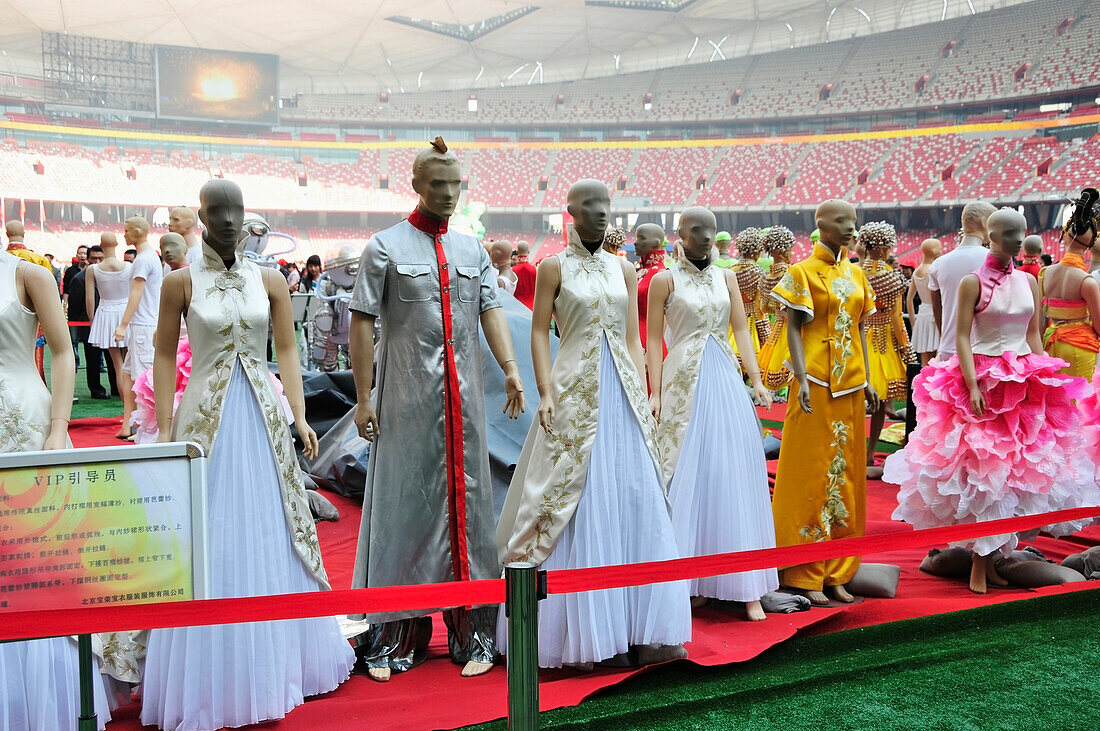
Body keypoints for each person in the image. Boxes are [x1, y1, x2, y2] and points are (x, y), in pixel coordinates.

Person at [141, 179, 354, 729]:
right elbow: (164, 354)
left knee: (270, 524)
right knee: (207, 529)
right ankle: (208, 668)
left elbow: (286, 346)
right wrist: (165, 427)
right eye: (218, 211)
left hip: (262, 416)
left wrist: (301, 417)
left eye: (237, 210)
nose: (230, 220)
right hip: (202, 422)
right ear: (202, 217)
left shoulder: (270, 280)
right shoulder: (181, 283)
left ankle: (280, 658)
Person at [347, 137, 525, 682]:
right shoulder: (385, 247)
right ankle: (399, 632)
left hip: (465, 405)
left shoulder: (473, 250)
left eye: (455, 185)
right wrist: (362, 396)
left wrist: (511, 368)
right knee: (404, 504)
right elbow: (361, 321)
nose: (448, 195)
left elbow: (491, 310)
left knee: (471, 506)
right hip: (405, 401)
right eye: (438, 185)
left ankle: (471, 629)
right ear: (418, 185)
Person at [497, 179, 690, 669]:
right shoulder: (552, 267)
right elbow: (540, 330)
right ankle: (582, 633)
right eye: (590, 207)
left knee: (633, 493)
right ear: (571, 213)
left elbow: (632, 337)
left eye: (606, 207)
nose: (602, 215)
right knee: (570, 495)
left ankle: (641, 624)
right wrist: (544, 390)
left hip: (623, 392)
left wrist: (646, 389)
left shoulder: (624, 269)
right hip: (571, 386)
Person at [884, 208, 1099, 594]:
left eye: (1022, 234)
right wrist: (972, 383)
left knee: (1015, 472)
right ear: (992, 237)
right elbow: (962, 336)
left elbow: (1033, 334)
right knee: (984, 472)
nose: (1019, 241)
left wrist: (1045, 375)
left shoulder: (1029, 282)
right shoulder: (972, 282)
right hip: (983, 380)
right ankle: (979, 564)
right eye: (1011, 235)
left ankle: (991, 558)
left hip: (1023, 381)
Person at [0, 245, 113, 729]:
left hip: (24, 421)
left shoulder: (27, 274)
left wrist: (56, 426)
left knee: (39, 556)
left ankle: (47, 691)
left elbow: (65, 352)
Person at [646, 207, 777, 620]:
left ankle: (746, 584)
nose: (705, 237)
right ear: (679, 235)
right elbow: (651, 339)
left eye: (712, 230)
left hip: (723, 375)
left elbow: (741, 328)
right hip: (682, 377)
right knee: (685, 472)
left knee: (733, 471)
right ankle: (685, 579)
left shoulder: (728, 276)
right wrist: (654, 391)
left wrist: (755, 378)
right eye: (696, 230)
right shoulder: (663, 281)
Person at [769, 199, 878, 606]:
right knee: (809, 475)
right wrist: (798, 377)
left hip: (849, 387)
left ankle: (837, 571)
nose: (850, 227)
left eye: (852, 220)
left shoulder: (856, 273)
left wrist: (866, 377)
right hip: (814, 381)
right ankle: (802, 573)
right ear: (821, 226)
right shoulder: (801, 273)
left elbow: (862, 330)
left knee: (846, 477)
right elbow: (793, 328)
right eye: (840, 221)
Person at [860, 222, 913, 478]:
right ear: (885, 247)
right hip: (881, 343)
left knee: (854, 399)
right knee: (880, 404)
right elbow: (895, 319)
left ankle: (855, 451)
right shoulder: (892, 277)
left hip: (856, 339)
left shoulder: (852, 272)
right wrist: (906, 351)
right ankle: (870, 454)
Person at [112, 216, 162, 439]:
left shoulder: (144, 260)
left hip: (143, 324)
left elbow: (137, 292)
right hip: (140, 325)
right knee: (128, 374)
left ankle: (144, 427)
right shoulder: (145, 258)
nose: (124, 234)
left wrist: (123, 324)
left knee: (142, 377)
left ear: (138, 231)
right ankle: (128, 423)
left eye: (126, 230)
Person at [929, 202, 995, 361]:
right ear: (983, 221)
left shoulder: (939, 263)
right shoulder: (993, 260)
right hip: (984, 350)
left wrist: (946, 336)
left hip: (948, 349)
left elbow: (937, 309)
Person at [1040, 224, 1100, 378]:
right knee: (1080, 400)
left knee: (1055, 398)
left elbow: (1039, 320)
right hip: (1079, 345)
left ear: (1065, 237)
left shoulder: (1045, 273)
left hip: (1050, 342)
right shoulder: (1087, 281)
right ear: (1089, 244)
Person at [87, 233, 133, 421]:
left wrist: (93, 322)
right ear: (116, 243)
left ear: (100, 245)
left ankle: (127, 411)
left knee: (118, 364)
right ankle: (134, 411)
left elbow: (90, 300)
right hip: (126, 312)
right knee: (130, 364)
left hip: (106, 313)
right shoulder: (129, 267)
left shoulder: (93, 269)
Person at [70, 244, 117, 399]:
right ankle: (96, 389)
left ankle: (116, 387)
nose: (97, 261)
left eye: (100, 258)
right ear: (87, 259)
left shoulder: (112, 275)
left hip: (110, 324)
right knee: (93, 361)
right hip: (88, 327)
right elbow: (74, 308)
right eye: (94, 258)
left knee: (113, 359)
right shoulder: (79, 279)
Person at [757, 226, 796, 396]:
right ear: (782, 250)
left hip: (778, 327)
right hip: (794, 327)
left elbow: (764, 308)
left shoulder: (767, 276)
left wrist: (779, 311)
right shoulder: (791, 272)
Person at [732, 227, 769, 360]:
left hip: (730, 324)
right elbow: (760, 308)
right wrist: (766, 335)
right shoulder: (759, 273)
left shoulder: (730, 272)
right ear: (755, 253)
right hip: (751, 325)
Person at [906, 238, 943, 366]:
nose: (941, 250)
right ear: (933, 251)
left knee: (925, 361)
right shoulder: (934, 270)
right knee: (939, 358)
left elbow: (909, 298)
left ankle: (922, 385)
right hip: (936, 315)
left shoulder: (916, 271)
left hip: (922, 316)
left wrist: (913, 323)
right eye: (939, 248)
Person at [634, 223, 665, 351]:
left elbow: (666, 318)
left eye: (641, 238)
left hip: (651, 343)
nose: (635, 243)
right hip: (633, 340)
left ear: (656, 243)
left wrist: (650, 352)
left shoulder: (662, 275)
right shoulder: (638, 274)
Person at [513, 240, 537, 309]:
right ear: (529, 251)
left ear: (517, 252)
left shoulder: (513, 270)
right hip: (532, 307)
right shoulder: (535, 270)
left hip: (517, 307)